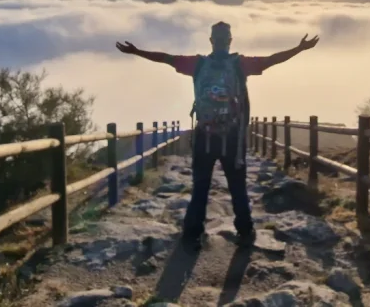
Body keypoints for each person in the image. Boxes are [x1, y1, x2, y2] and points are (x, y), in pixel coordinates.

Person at [115, 21, 319, 249]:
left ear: (211, 41)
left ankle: (193, 233)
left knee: (200, 186)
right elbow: (271, 60)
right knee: (237, 187)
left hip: (205, 135)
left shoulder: (198, 64)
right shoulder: (240, 64)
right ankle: (245, 230)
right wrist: (299, 48)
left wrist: (136, 51)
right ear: (230, 41)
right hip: (233, 137)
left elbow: (166, 58)